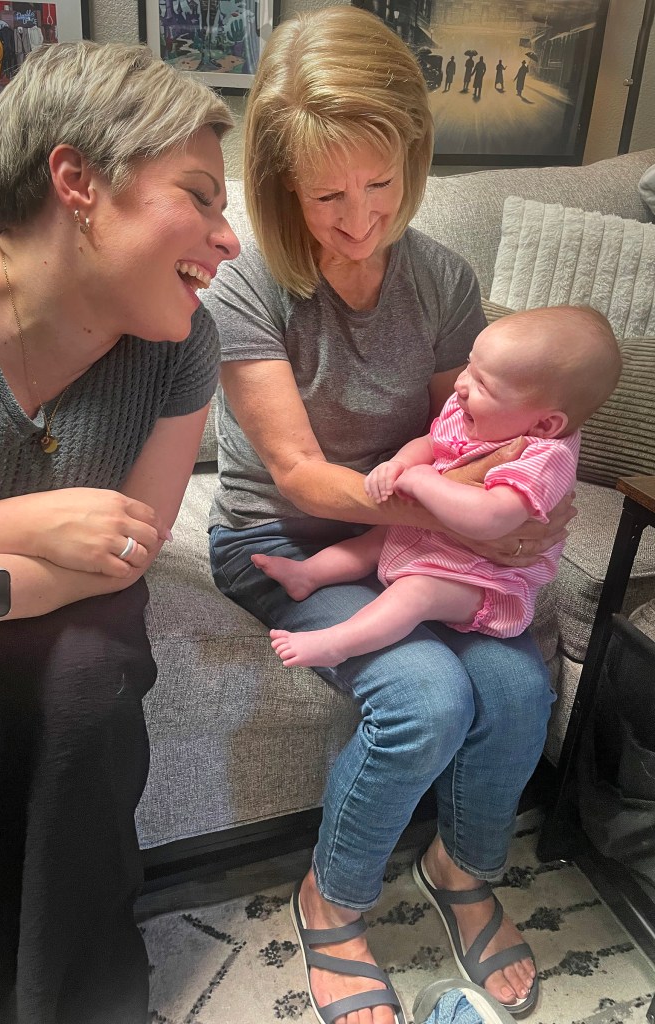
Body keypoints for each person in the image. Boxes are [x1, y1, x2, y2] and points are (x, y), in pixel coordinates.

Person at [203, 8, 574, 1024]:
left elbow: (478, 434)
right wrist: (466, 522)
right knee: (425, 698)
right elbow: (298, 473)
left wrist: (512, 502)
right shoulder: (247, 289)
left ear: (413, 154)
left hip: (413, 534)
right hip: (281, 534)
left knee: (517, 684)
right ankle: (331, 897)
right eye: (327, 196)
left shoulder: (442, 277)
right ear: (281, 183)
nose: (361, 219)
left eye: (381, 184)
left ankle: (459, 869)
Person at [0, 40, 239, 1024]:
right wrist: (8, 525)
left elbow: (126, 552)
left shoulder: (181, 347)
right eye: (200, 196)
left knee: (87, 682)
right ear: (77, 181)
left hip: (42, 600)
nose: (228, 239)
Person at [255, 306, 621, 668]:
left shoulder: (544, 458)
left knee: (417, 592)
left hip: (483, 581)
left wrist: (423, 480)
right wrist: (401, 464)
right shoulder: (480, 412)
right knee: (376, 539)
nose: (461, 384)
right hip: (439, 540)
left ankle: (338, 644)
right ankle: (307, 575)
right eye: (469, 366)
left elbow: (489, 519)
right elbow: (433, 442)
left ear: (544, 425)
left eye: (483, 384)